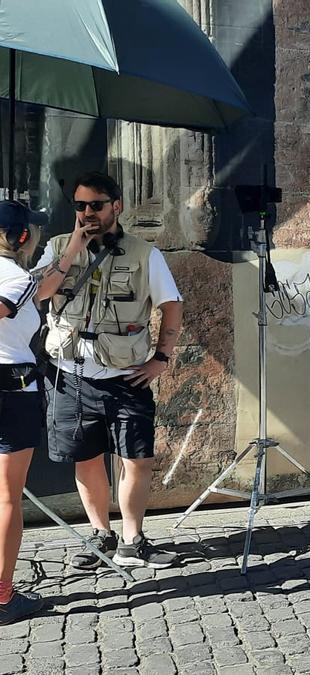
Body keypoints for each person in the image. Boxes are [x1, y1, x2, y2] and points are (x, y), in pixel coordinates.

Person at [33, 172, 183, 569]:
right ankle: (101, 533)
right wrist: (72, 249)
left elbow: (172, 305)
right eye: (80, 205)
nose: (87, 213)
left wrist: (161, 358)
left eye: (96, 205)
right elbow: (42, 294)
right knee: (86, 458)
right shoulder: (56, 248)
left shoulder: (145, 254)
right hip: (70, 374)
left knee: (137, 459)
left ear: (116, 205)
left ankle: (133, 539)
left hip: (125, 375)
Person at [0, 201, 58, 623]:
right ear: (23, 236)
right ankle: (2, 596)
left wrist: (74, 244)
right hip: (13, 388)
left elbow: (48, 283)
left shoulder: (26, 278)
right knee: (7, 499)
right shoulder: (16, 277)